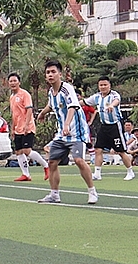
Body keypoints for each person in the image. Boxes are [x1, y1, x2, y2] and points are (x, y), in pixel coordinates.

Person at [35, 60, 98, 204]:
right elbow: (51, 105)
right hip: (61, 134)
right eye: (48, 72)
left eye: (53, 72)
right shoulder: (51, 91)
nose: (50, 75)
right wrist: (42, 113)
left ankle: (92, 191)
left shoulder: (67, 88)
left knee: (79, 161)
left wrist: (67, 125)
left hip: (76, 132)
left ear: (60, 74)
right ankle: (54, 195)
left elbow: (73, 106)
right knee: (52, 162)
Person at [84, 76, 136, 181]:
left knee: (120, 151)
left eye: (105, 85)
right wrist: (72, 105)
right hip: (104, 126)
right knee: (98, 149)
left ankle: (130, 171)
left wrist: (112, 106)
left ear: (109, 85)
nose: (103, 87)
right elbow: (85, 102)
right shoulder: (97, 97)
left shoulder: (114, 95)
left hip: (115, 125)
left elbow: (116, 101)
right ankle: (97, 173)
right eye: (101, 85)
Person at [7, 72, 49, 182]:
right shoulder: (12, 97)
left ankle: (46, 165)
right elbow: (14, 114)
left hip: (27, 127)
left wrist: (26, 125)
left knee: (27, 150)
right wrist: (12, 128)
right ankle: (26, 174)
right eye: (11, 81)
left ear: (19, 82)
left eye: (14, 81)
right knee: (19, 152)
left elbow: (29, 109)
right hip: (17, 129)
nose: (12, 83)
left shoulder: (24, 94)